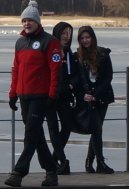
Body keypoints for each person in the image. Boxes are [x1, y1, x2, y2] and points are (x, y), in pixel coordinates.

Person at [5, 1, 60, 188]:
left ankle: (19, 172)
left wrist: (52, 95)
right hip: (24, 96)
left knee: (30, 134)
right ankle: (52, 171)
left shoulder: (49, 42)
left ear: (37, 22)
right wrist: (13, 94)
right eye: (24, 20)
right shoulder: (20, 42)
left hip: (40, 96)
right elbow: (16, 70)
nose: (26, 24)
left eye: (30, 20)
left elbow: (55, 70)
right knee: (36, 135)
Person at [74, 25, 114, 174]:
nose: (85, 40)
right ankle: (99, 162)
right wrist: (84, 95)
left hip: (102, 97)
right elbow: (76, 80)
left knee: (97, 128)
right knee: (96, 128)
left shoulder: (103, 54)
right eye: (82, 38)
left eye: (87, 37)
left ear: (93, 37)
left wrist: (96, 93)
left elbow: (108, 77)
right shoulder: (77, 56)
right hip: (86, 98)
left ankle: (91, 162)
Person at [47, 21, 76, 175]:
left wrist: (71, 85)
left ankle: (54, 159)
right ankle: (62, 160)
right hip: (51, 95)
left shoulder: (69, 53)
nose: (66, 36)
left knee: (67, 125)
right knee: (52, 128)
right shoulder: (51, 51)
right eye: (64, 33)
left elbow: (74, 74)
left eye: (69, 34)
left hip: (64, 95)